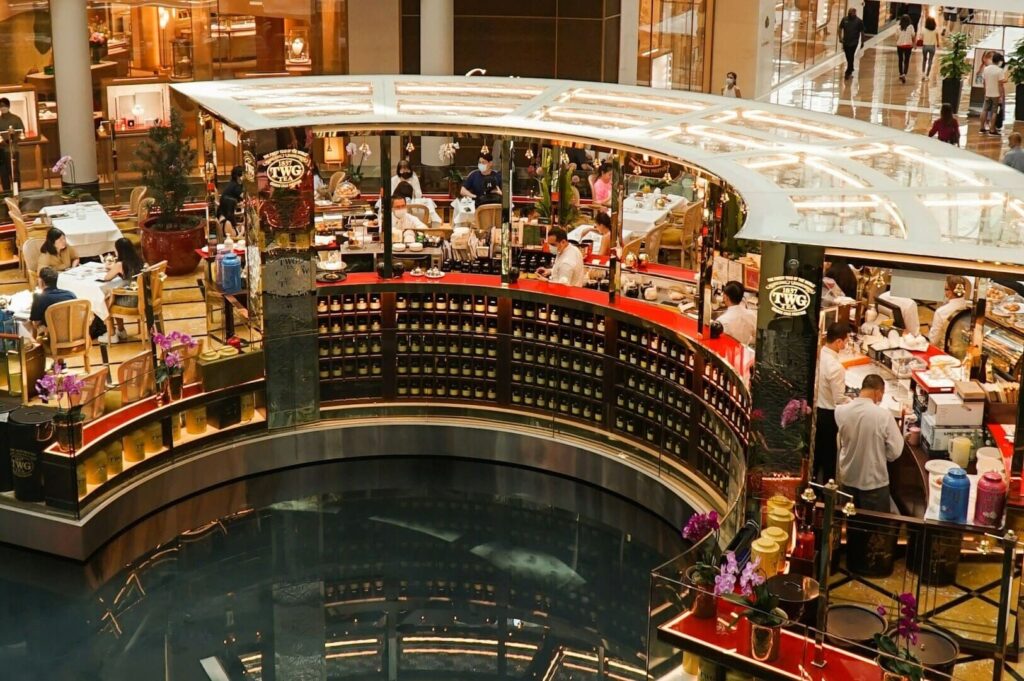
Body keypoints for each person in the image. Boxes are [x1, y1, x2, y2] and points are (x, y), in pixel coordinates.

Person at [835, 374, 904, 513]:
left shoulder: (840, 411)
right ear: (877, 392)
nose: (881, 399)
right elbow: (896, 450)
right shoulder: (884, 416)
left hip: (848, 478)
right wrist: (882, 455)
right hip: (874, 481)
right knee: (875, 524)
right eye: (882, 395)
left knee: (851, 522)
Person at [815, 322, 852, 484]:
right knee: (829, 456)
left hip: (817, 409)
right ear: (838, 342)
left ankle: (814, 486)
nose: (846, 344)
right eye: (846, 341)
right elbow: (839, 399)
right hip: (828, 415)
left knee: (817, 453)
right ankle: (827, 490)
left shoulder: (820, 355)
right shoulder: (836, 367)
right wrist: (853, 401)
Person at [103, 237, 146, 342]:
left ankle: (112, 334)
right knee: (114, 296)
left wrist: (113, 267)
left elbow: (107, 278)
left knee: (107, 300)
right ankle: (120, 331)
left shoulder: (120, 264)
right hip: (144, 297)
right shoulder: (140, 260)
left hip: (132, 300)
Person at [29, 267, 76, 338]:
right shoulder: (70, 295)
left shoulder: (39, 298)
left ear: (41, 281)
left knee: (30, 323)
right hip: (73, 334)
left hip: (54, 337)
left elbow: (36, 323)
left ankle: (34, 343)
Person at [929, 275, 972, 349]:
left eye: (946, 289)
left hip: (945, 351)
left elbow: (933, 341)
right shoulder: (970, 308)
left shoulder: (941, 312)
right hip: (966, 349)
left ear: (950, 292)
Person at [718, 280, 757, 347]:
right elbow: (757, 337)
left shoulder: (722, 321)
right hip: (744, 351)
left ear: (725, 297)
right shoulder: (751, 315)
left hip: (727, 351)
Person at [0, 97, 24, 192]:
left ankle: (17, 193)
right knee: (3, 173)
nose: (2, 108)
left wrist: (13, 138)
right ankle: (6, 194)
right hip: (1, 150)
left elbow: (22, 133)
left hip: (13, 149)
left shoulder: (16, 119)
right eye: (1, 106)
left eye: (4, 105)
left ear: (8, 106)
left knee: (14, 172)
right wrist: (2, 141)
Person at [980, 53, 1007, 136]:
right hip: (996, 94)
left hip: (988, 93)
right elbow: (1000, 85)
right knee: (995, 111)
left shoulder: (986, 69)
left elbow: (984, 82)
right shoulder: (1000, 71)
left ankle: (982, 128)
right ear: (999, 61)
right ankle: (992, 129)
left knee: (984, 110)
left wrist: (985, 92)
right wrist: (1001, 96)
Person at [218, 165, 245, 238]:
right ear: (238, 176)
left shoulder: (233, 184)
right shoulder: (235, 186)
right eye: (244, 174)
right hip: (228, 208)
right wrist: (242, 230)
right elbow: (244, 197)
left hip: (226, 208)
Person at [839, 8, 865, 80]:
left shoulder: (859, 21)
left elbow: (862, 32)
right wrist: (840, 37)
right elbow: (840, 28)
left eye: (851, 12)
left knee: (851, 55)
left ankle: (848, 71)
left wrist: (862, 41)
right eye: (849, 12)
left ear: (854, 13)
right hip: (845, 41)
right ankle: (851, 67)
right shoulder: (844, 19)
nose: (849, 14)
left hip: (854, 42)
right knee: (848, 56)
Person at [895, 15, 916, 84]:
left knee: (900, 60)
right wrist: (914, 44)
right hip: (908, 46)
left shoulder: (898, 28)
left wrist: (898, 41)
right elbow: (913, 35)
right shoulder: (911, 27)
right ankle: (904, 73)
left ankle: (901, 73)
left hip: (900, 46)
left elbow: (896, 37)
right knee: (906, 60)